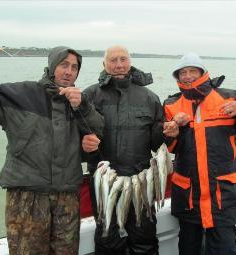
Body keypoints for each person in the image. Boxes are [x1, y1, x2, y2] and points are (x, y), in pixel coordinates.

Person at [0, 41, 104, 255]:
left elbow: (99, 131)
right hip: (27, 197)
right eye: (63, 64)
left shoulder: (79, 102)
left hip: (67, 197)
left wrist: (86, 123)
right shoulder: (21, 94)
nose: (69, 71)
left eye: (74, 67)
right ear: (51, 65)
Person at [163, 53, 236, 255]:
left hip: (223, 193)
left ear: (203, 72)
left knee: (225, 249)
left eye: (192, 71)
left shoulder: (228, 97)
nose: (187, 76)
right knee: (188, 248)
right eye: (182, 73)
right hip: (188, 195)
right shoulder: (171, 105)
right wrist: (173, 132)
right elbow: (169, 148)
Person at [81, 45, 165, 255]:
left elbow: (157, 144)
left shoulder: (150, 97)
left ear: (130, 61)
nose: (119, 65)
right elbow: (74, 138)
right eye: (113, 60)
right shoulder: (90, 95)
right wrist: (83, 145)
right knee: (108, 238)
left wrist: (168, 131)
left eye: (123, 59)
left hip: (141, 180)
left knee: (144, 236)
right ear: (104, 64)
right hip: (105, 182)